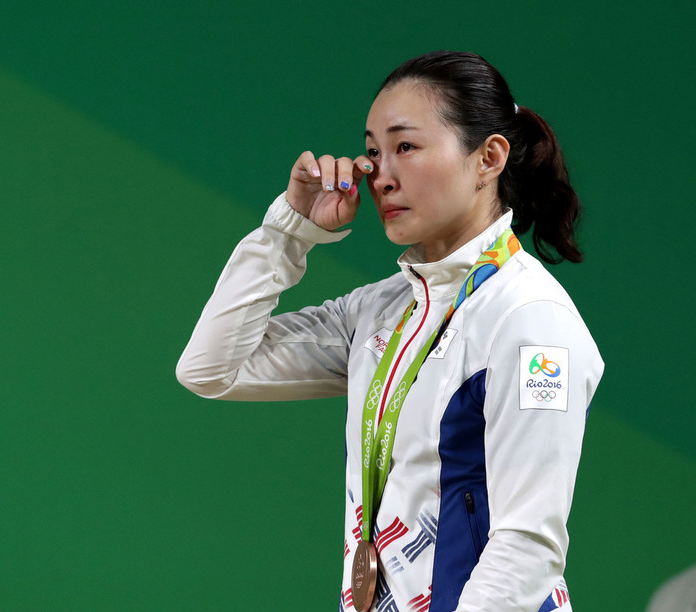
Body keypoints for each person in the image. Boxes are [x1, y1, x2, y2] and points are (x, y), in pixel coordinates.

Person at [176, 50, 604, 612]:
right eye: (373, 150)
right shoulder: (381, 309)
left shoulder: (530, 321)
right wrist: (290, 228)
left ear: (489, 157)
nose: (380, 172)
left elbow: (526, 549)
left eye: (406, 146)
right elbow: (212, 369)